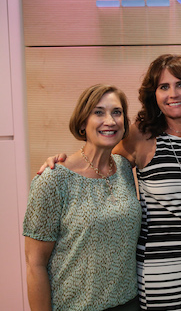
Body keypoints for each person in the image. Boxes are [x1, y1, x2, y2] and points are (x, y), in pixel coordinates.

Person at [40, 54, 181, 311]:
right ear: (154, 95)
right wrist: (62, 162)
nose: (173, 93)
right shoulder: (142, 135)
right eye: (164, 87)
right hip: (161, 278)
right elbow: (98, 165)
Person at [24, 84, 141, 311]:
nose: (110, 120)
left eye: (116, 112)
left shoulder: (124, 168)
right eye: (98, 112)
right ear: (81, 123)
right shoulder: (54, 179)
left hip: (129, 303)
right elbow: (34, 264)